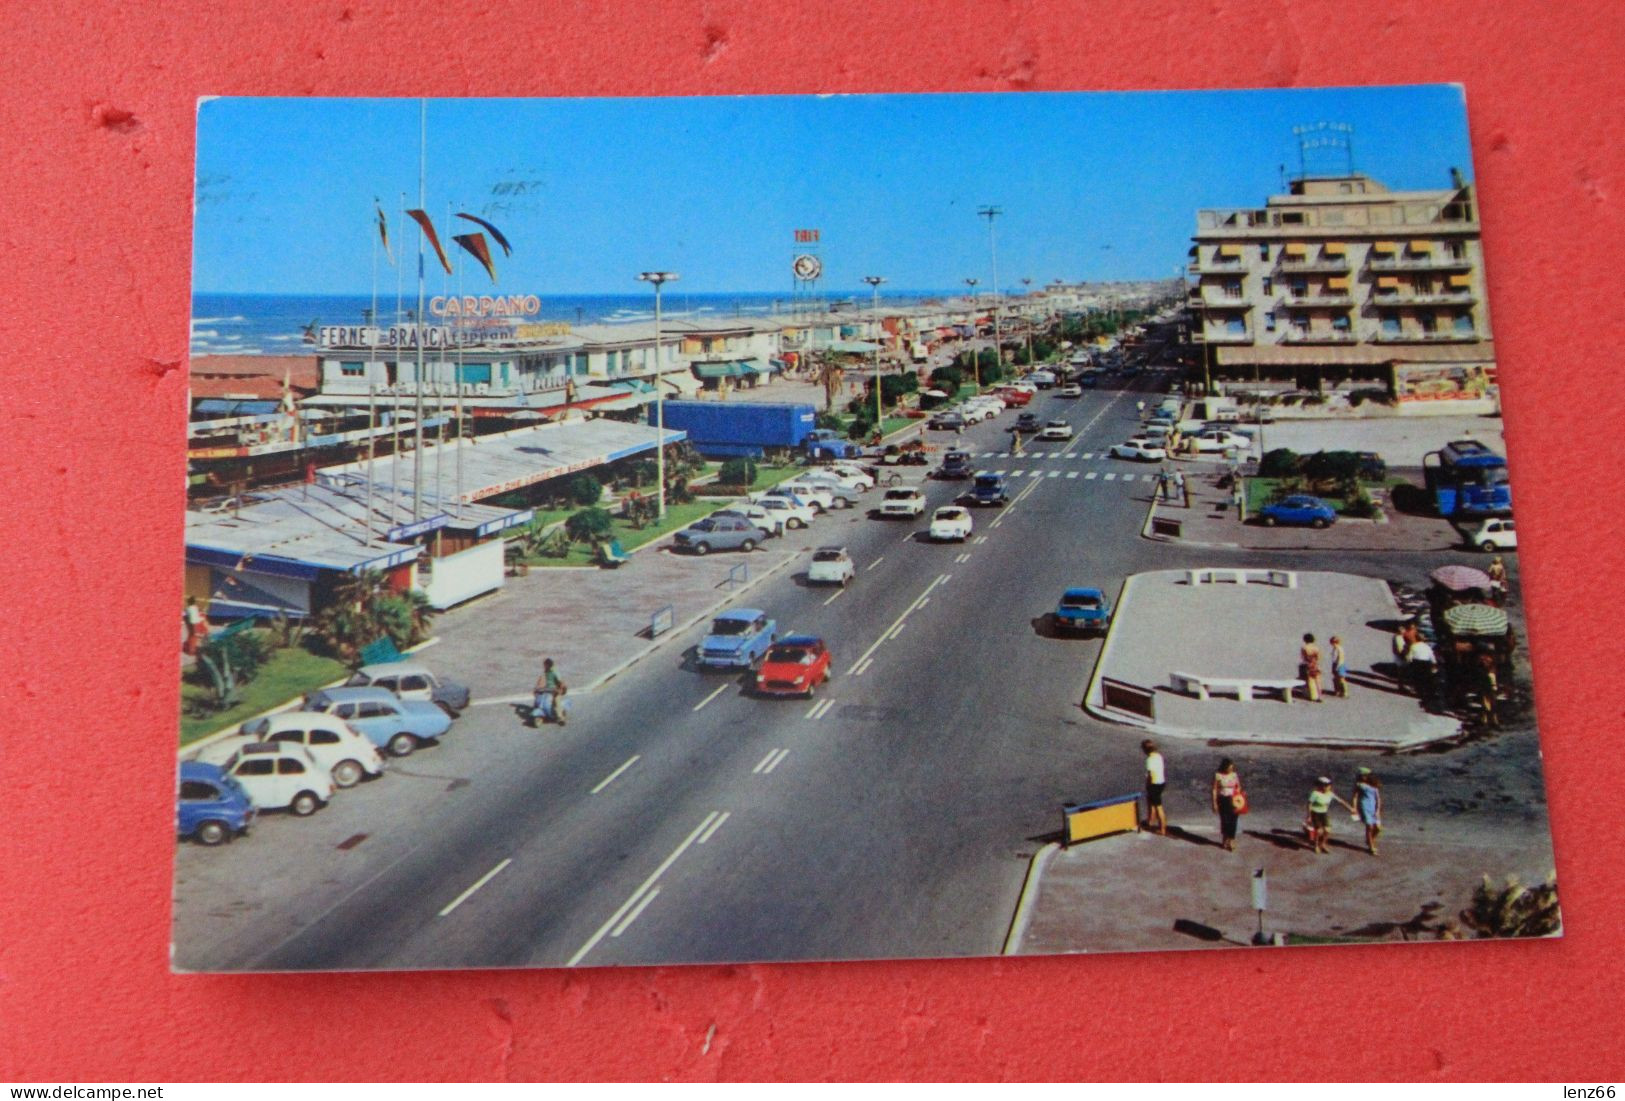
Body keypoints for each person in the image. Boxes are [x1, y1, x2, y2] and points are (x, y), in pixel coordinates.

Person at [1305, 776, 1356, 854]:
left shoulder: (1330, 794)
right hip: (1315, 813)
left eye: (1328, 785)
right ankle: (1316, 845)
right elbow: (1309, 804)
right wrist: (1309, 816)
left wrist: (1350, 809)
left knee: (1327, 830)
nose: (1328, 787)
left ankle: (1322, 844)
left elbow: (1341, 801)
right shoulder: (1315, 794)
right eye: (1326, 785)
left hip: (1324, 813)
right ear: (1321, 786)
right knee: (1319, 831)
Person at [1211, 758, 1243, 852]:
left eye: (1232, 768)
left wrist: (1237, 793)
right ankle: (1225, 837)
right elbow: (1214, 789)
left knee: (1233, 820)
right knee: (1225, 820)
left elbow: (1238, 786)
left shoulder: (1234, 775)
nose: (1230, 770)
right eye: (1229, 768)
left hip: (1233, 799)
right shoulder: (1218, 775)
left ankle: (1232, 840)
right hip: (1223, 799)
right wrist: (1214, 802)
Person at [1350, 768, 1383, 855]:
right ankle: (1371, 847)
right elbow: (1355, 797)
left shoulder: (1374, 785)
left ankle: (1369, 840)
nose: (1364, 777)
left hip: (1373, 807)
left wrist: (1378, 810)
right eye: (1362, 775)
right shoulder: (1359, 785)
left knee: (1378, 828)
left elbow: (1378, 798)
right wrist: (1354, 808)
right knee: (1370, 826)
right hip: (1364, 806)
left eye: (1365, 775)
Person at [1142, 739, 1167, 836]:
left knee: (1158, 807)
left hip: (1154, 784)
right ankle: (1150, 822)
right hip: (1162, 782)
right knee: (1152, 803)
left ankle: (1162, 829)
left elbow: (1151, 775)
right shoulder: (1159, 756)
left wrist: (1148, 785)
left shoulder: (1149, 760)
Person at [533, 657, 567, 727]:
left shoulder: (555, 672)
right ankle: (537, 709)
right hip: (547, 689)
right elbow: (541, 680)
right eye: (544, 665)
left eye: (545, 665)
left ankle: (560, 717)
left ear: (549, 665)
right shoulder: (546, 672)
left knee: (556, 700)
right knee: (539, 697)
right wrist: (537, 688)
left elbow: (561, 682)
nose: (544, 666)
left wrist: (560, 689)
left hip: (555, 690)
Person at [1406, 636, 1438, 707]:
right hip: (1425, 663)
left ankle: (1414, 687)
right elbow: (1432, 657)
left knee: (1415, 675)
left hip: (1416, 662)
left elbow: (1410, 657)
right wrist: (1434, 663)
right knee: (1423, 677)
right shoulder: (1428, 647)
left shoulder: (1414, 646)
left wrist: (1409, 662)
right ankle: (1422, 689)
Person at [1299, 633, 1323, 702]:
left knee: (1311, 681)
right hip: (1315, 664)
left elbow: (1303, 657)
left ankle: (1313, 696)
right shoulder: (1316, 647)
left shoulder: (1304, 647)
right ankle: (1320, 696)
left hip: (1308, 665)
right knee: (1318, 681)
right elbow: (1319, 657)